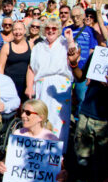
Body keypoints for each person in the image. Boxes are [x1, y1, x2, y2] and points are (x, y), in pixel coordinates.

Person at [68, 16, 108, 182]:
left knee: (104, 161)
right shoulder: (99, 53)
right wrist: (74, 64)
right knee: (82, 158)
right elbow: (81, 78)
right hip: (88, 114)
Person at [0, 99, 67, 182]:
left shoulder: (51, 139)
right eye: (22, 111)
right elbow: (9, 159)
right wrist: (2, 164)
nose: (23, 115)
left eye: (28, 113)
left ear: (40, 117)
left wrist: (63, 174)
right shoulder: (18, 134)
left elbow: (60, 166)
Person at [25, 18, 73, 150]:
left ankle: (58, 153)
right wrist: (29, 86)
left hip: (60, 85)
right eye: (47, 28)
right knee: (40, 117)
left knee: (59, 119)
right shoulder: (39, 47)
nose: (50, 31)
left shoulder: (65, 43)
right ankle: (39, 151)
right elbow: (31, 68)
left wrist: (70, 41)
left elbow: (75, 55)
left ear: (58, 30)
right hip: (41, 85)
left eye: (54, 28)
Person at [63, 7, 98, 119]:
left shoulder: (90, 31)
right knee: (65, 97)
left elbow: (92, 50)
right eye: (73, 16)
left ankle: (78, 120)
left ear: (84, 16)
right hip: (67, 69)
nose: (75, 18)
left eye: (78, 16)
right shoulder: (66, 30)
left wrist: (90, 71)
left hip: (83, 70)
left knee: (81, 98)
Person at [0, 22, 32, 103]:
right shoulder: (6, 47)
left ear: (24, 31)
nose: (18, 32)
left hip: (26, 82)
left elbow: (32, 66)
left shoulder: (31, 45)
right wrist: (2, 84)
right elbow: (1, 67)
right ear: (12, 32)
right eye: (15, 30)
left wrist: (29, 85)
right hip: (10, 83)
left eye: (20, 29)